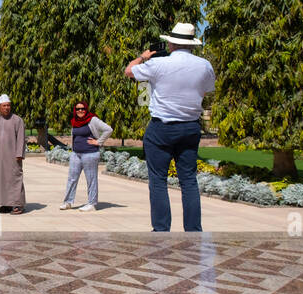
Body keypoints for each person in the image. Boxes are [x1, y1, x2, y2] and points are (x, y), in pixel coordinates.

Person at [125, 22, 216, 232]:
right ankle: (193, 230)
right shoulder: (204, 65)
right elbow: (205, 91)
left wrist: (144, 56)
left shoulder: (158, 64)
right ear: (191, 44)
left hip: (162, 127)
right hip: (190, 127)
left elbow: (129, 71)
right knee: (189, 181)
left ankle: (161, 229)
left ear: (171, 44)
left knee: (158, 181)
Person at [60, 101, 112, 212]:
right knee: (72, 178)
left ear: (86, 109)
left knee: (91, 179)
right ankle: (68, 202)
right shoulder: (75, 121)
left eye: (83, 109)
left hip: (90, 153)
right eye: (78, 109)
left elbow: (108, 129)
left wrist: (99, 142)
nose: (80, 111)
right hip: (76, 154)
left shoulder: (92, 119)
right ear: (75, 110)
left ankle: (92, 204)